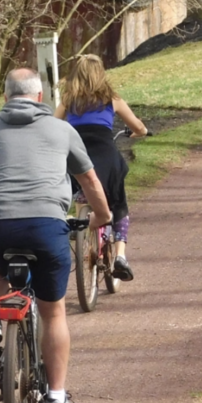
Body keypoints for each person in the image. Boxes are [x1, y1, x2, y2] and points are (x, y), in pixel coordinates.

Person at [0, 68, 111, 403]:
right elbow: (88, 178)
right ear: (40, 97)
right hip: (45, 226)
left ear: (6, 96)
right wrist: (101, 217)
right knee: (53, 310)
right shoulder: (62, 128)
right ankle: (56, 398)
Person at [54, 54, 148, 282]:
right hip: (106, 157)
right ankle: (120, 256)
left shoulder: (68, 100)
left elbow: (53, 125)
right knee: (118, 203)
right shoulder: (111, 99)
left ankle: (83, 232)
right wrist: (138, 133)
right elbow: (139, 127)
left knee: (80, 192)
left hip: (78, 157)